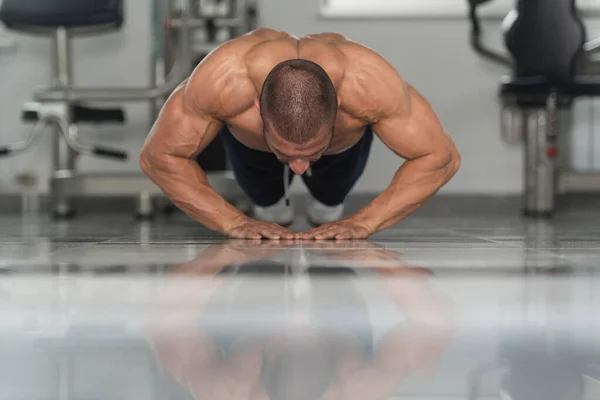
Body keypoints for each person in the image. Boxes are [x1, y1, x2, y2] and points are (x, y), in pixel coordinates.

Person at [140, 29, 460, 240]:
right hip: (251, 150)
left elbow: (441, 157)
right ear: (256, 108)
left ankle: (326, 200)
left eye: (310, 153)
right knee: (271, 213)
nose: (299, 167)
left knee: (327, 208)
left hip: (342, 152)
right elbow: (159, 156)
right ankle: (271, 202)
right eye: (285, 154)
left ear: (339, 105)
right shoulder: (223, 80)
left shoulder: (368, 84)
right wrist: (232, 222)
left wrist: (365, 221)